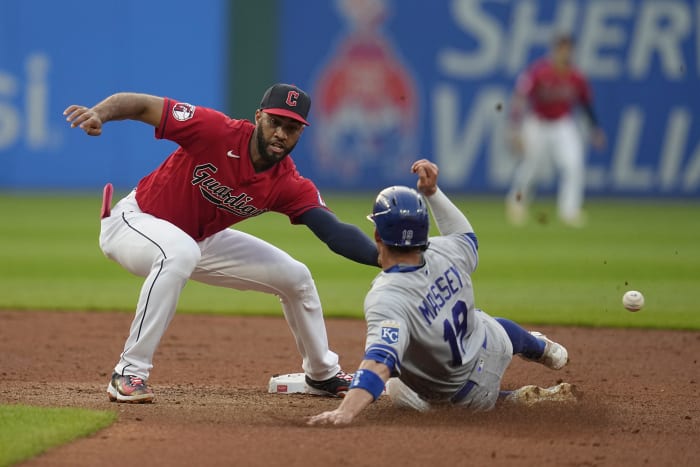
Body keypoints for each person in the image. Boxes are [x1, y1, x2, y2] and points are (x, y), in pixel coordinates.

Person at [64, 83, 380, 403]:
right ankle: (129, 372)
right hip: (134, 223)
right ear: (258, 117)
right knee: (179, 251)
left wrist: (384, 257)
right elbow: (140, 105)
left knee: (295, 277)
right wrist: (99, 113)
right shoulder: (215, 131)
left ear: (300, 132)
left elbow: (333, 230)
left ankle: (322, 374)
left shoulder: (287, 183)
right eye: (275, 122)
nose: (281, 134)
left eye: (292, 127)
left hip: (198, 241)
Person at [307, 159, 574, 426]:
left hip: (467, 399)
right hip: (493, 345)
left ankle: (512, 398)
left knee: (398, 386)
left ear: (378, 235)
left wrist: (345, 412)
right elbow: (467, 236)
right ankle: (542, 348)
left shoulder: (386, 297)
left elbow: (381, 362)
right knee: (482, 320)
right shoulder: (446, 249)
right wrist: (432, 192)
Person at [506, 33, 606, 227]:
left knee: (573, 165)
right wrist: (515, 128)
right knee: (531, 167)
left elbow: (585, 104)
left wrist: (595, 129)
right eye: (561, 48)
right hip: (538, 122)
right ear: (554, 50)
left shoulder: (576, 76)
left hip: (562, 124)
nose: (564, 52)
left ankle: (569, 210)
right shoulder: (539, 72)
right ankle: (516, 204)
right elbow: (520, 97)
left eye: (568, 48)